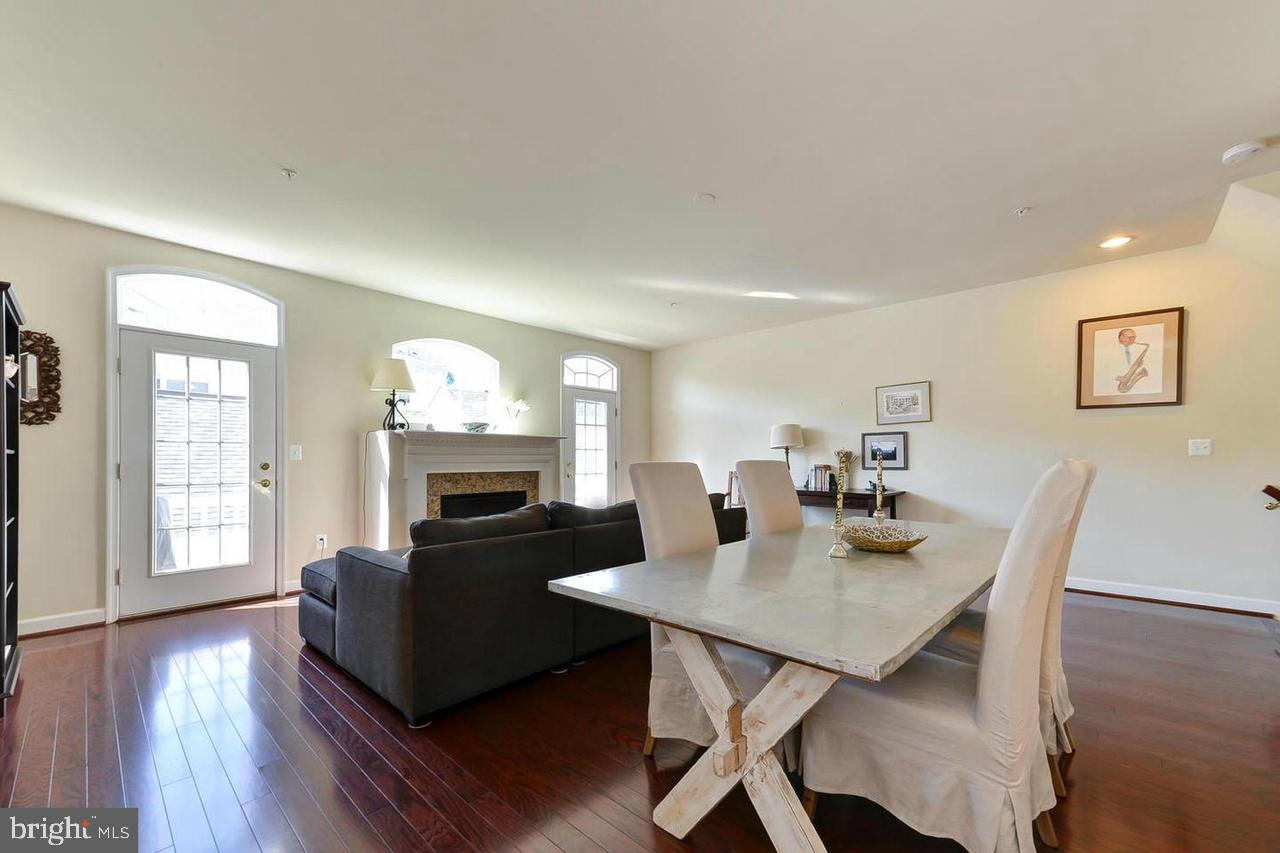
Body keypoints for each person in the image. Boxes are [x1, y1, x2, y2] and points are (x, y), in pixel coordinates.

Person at [1093, 326, 1162, 395]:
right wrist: (1115, 377)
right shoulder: (1109, 350)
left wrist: (1139, 366)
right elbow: (1102, 368)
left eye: (1134, 337)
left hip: (1135, 385)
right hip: (1112, 386)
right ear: (1121, 338)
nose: (1133, 340)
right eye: (1130, 337)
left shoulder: (1137, 349)